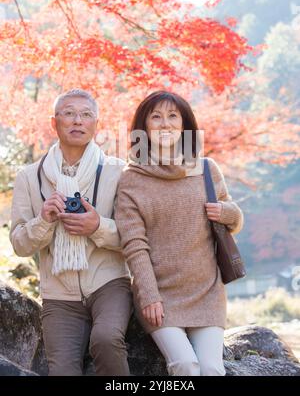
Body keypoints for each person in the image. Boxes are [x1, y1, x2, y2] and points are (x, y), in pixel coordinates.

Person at [115, 90, 244, 376]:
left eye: (173, 116)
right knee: (185, 365)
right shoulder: (132, 179)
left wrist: (226, 212)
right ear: (144, 127)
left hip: (207, 291)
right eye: (156, 117)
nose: (165, 124)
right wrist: (149, 296)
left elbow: (233, 218)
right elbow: (134, 245)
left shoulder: (207, 169)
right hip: (161, 295)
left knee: (211, 368)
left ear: (185, 124)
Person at [10, 89, 132, 376]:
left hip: (109, 284)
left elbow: (134, 237)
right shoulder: (29, 176)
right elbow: (19, 243)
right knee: (62, 370)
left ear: (96, 124)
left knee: (107, 339)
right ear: (55, 122)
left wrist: (97, 226)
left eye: (86, 114)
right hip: (58, 293)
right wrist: (43, 220)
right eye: (69, 113)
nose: (78, 120)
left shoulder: (118, 172)